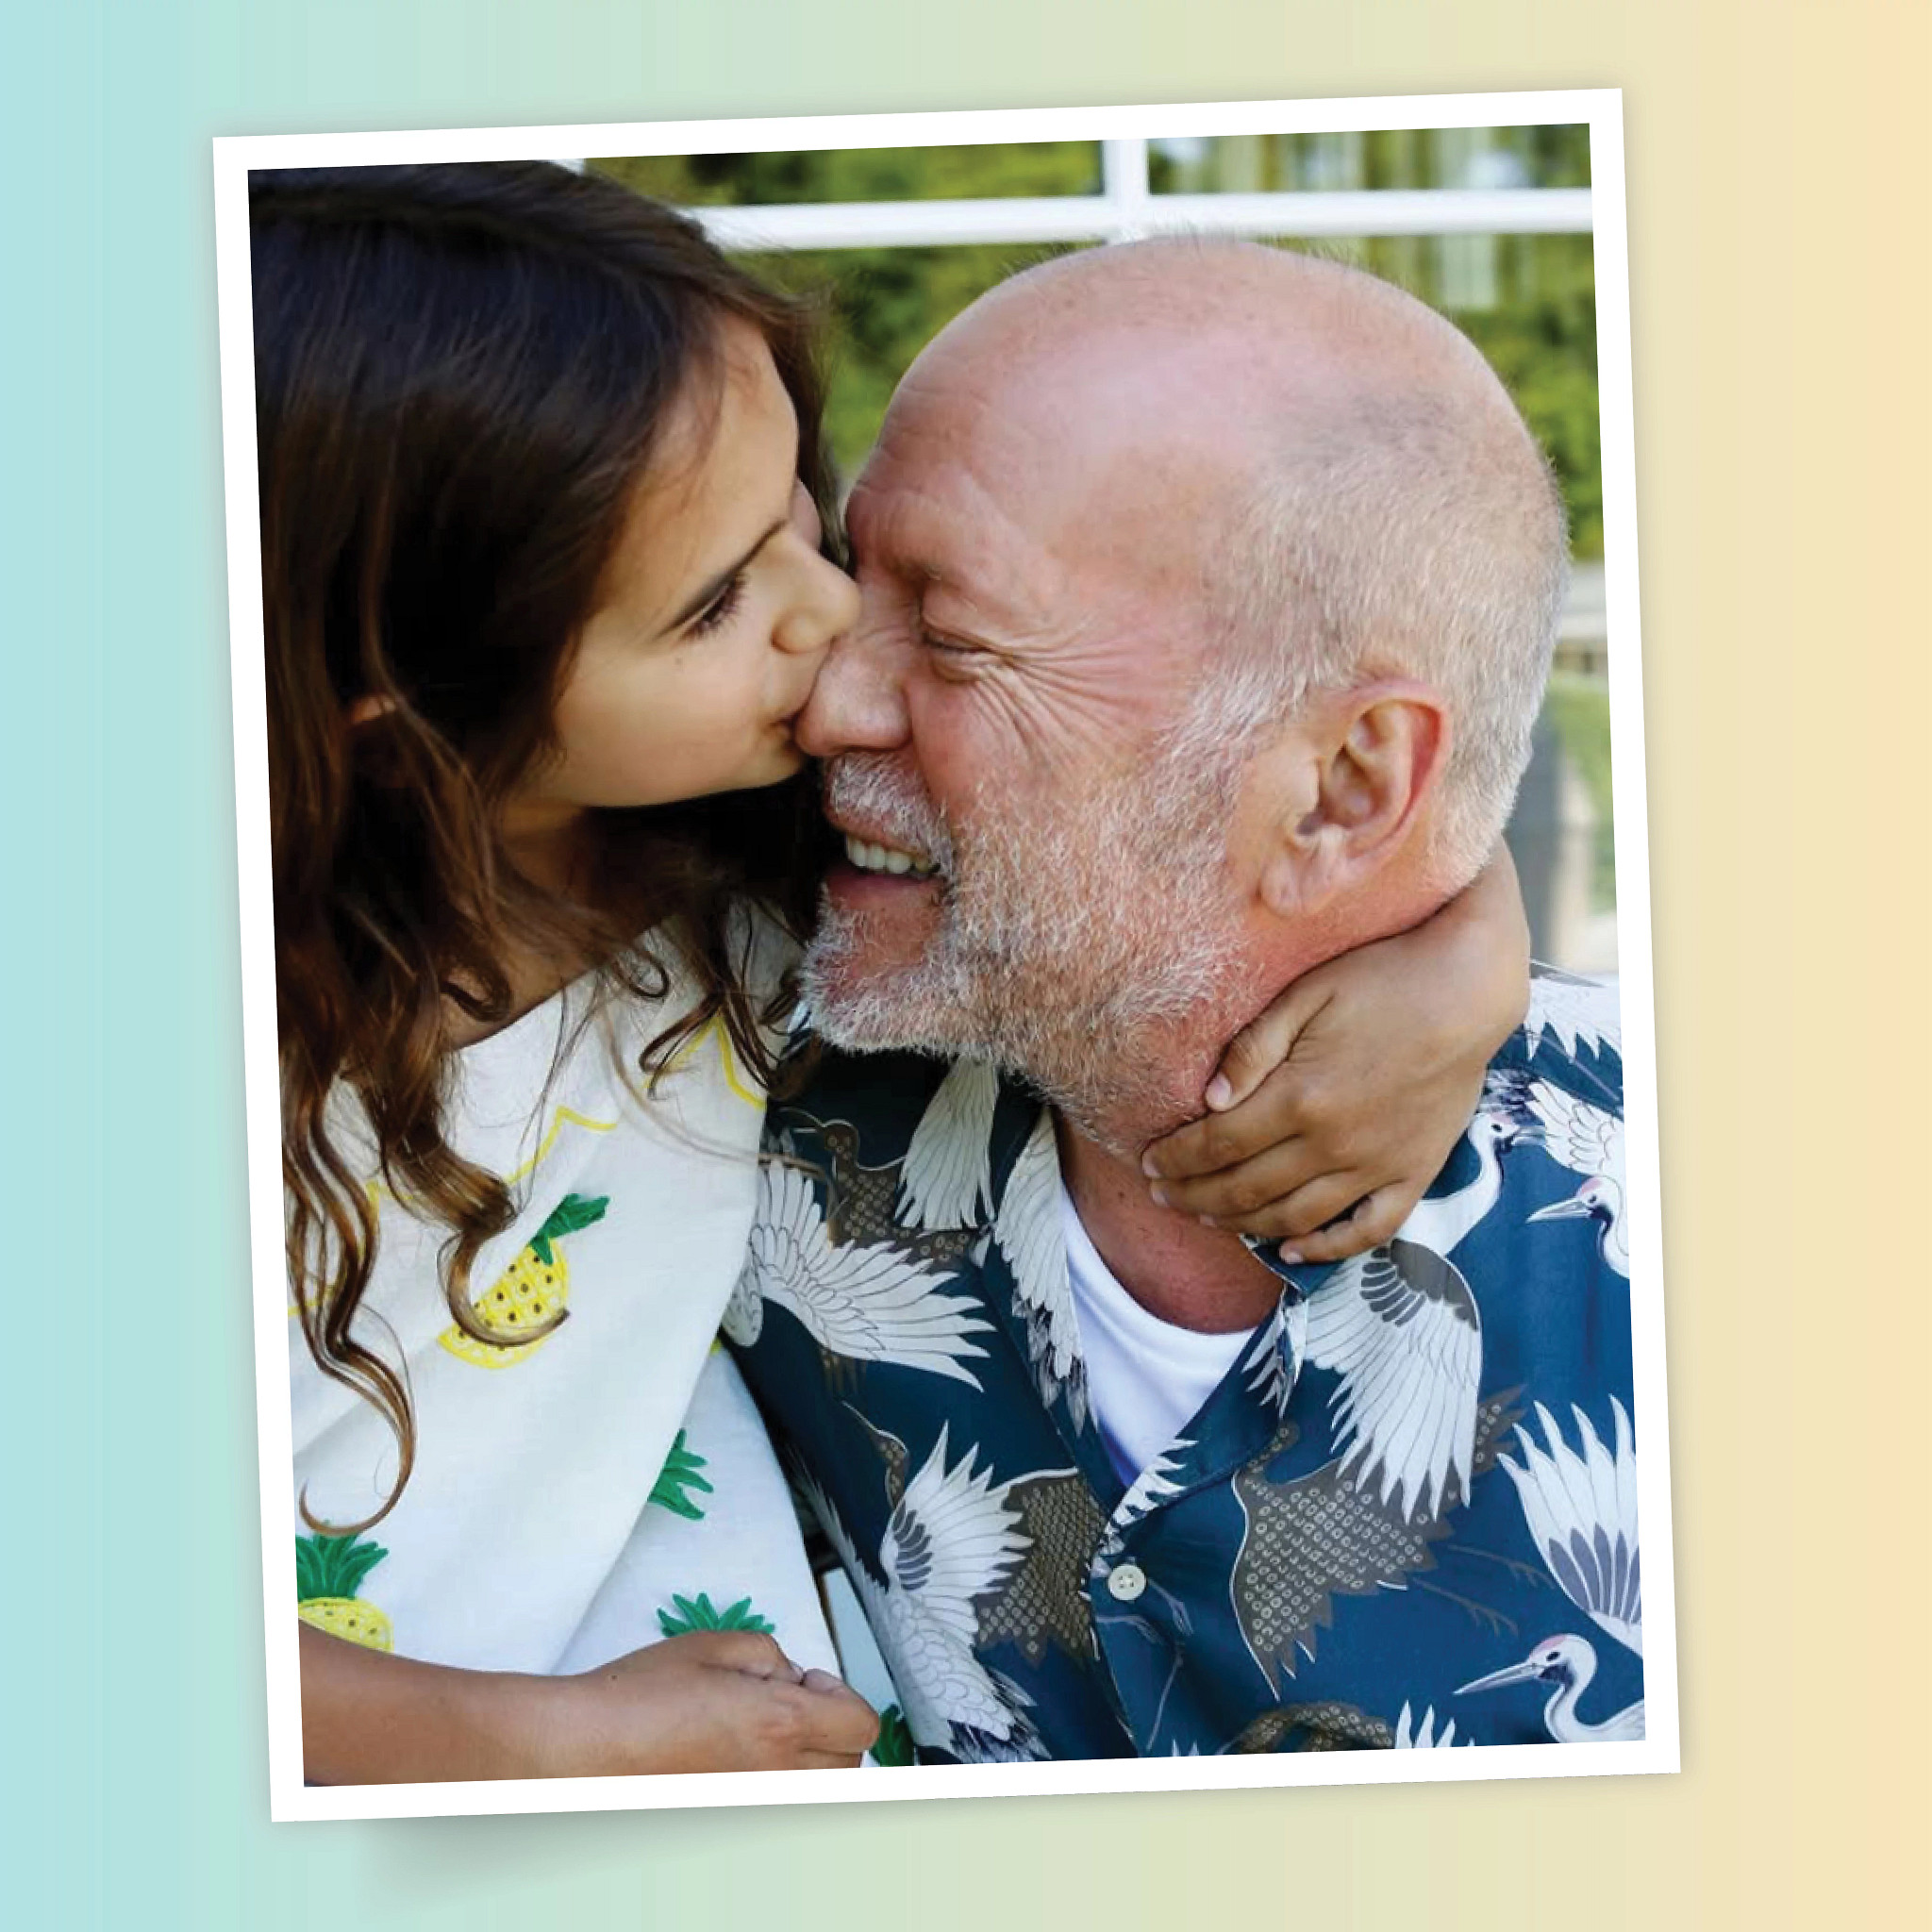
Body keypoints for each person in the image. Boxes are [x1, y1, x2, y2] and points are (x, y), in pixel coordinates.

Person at [261, 164, 1531, 1784]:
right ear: (415, 730)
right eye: (721, 600)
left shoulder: (725, 862)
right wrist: (549, 1748)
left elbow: (1283, 797)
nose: (837, 632)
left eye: (806, 516)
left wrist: (1460, 970)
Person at [728, 238, 1641, 1760]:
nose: (825, 699)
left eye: (950, 638)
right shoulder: (709, 1092)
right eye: (846, 579)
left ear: (1346, 787)